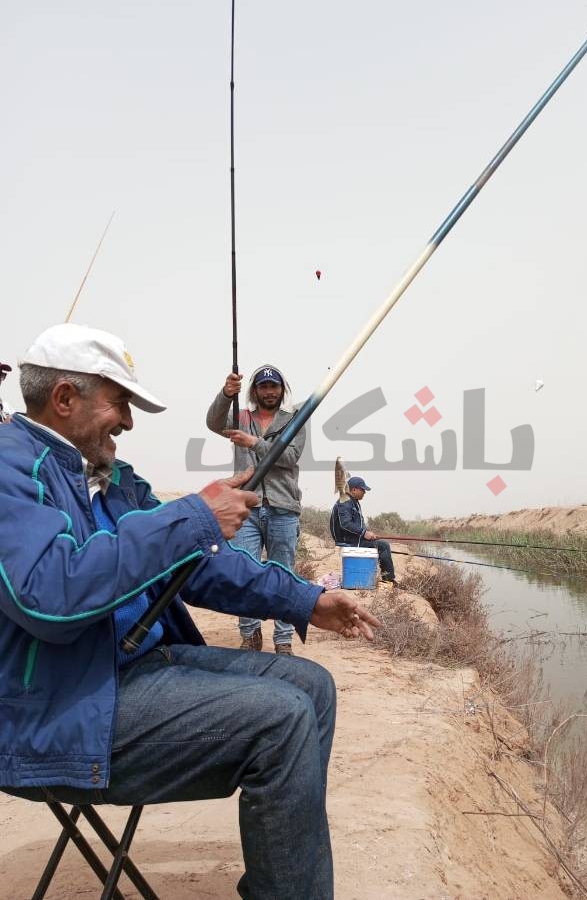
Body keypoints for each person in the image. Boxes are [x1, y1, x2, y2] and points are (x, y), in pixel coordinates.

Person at [0, 323, 379, 900]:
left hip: (131, 670)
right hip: (62, 709)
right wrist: (194, 517)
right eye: (121, 402)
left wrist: (307, 600)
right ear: (65, 399)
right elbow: (48, 595)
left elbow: (200, 564)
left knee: (314, 687)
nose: (128, 422)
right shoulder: (9, 469)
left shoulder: (114, 481)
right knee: (283, 720)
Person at [206, 365, 304, 655]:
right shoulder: (241, 416)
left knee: (283, 572)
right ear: (254, 391)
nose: (269, 392)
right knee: (244, 570)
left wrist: (253, 443)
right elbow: (213, 422)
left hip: (283, 507)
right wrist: (226, 393)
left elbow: (290, 456)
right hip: (246, 506)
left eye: (274, 387)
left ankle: (283, 639)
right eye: (263, 387)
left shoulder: (294, 420)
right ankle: (250, 634)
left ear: (281, 390)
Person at [330, 475, 398, 585]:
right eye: (363, 490)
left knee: (381, 545)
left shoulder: (353, 501)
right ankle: (388, 580)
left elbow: (356, 524)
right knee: (384, 546)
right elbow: (345, 524)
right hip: (348, 540)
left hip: (354, 538)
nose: (364, 493)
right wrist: (364, 533)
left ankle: (387, 578)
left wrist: (368, 533)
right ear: (354, 489)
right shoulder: (345, 502)